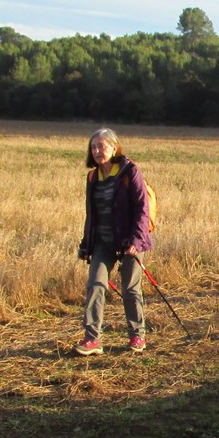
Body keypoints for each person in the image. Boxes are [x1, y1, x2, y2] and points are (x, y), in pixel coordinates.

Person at [76, 128, 152, 356]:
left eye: (102, 146)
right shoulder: (92, 177)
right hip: (102, 242)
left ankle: (137, 335)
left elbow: (142, 209)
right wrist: (86, 244)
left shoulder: (130, 171)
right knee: (95, 286)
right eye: (93, 147)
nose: (97, 151)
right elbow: (92, 214)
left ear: (114, 147)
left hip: (130, 240)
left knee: (130, 289)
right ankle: (92, 339)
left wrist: (136, 241)